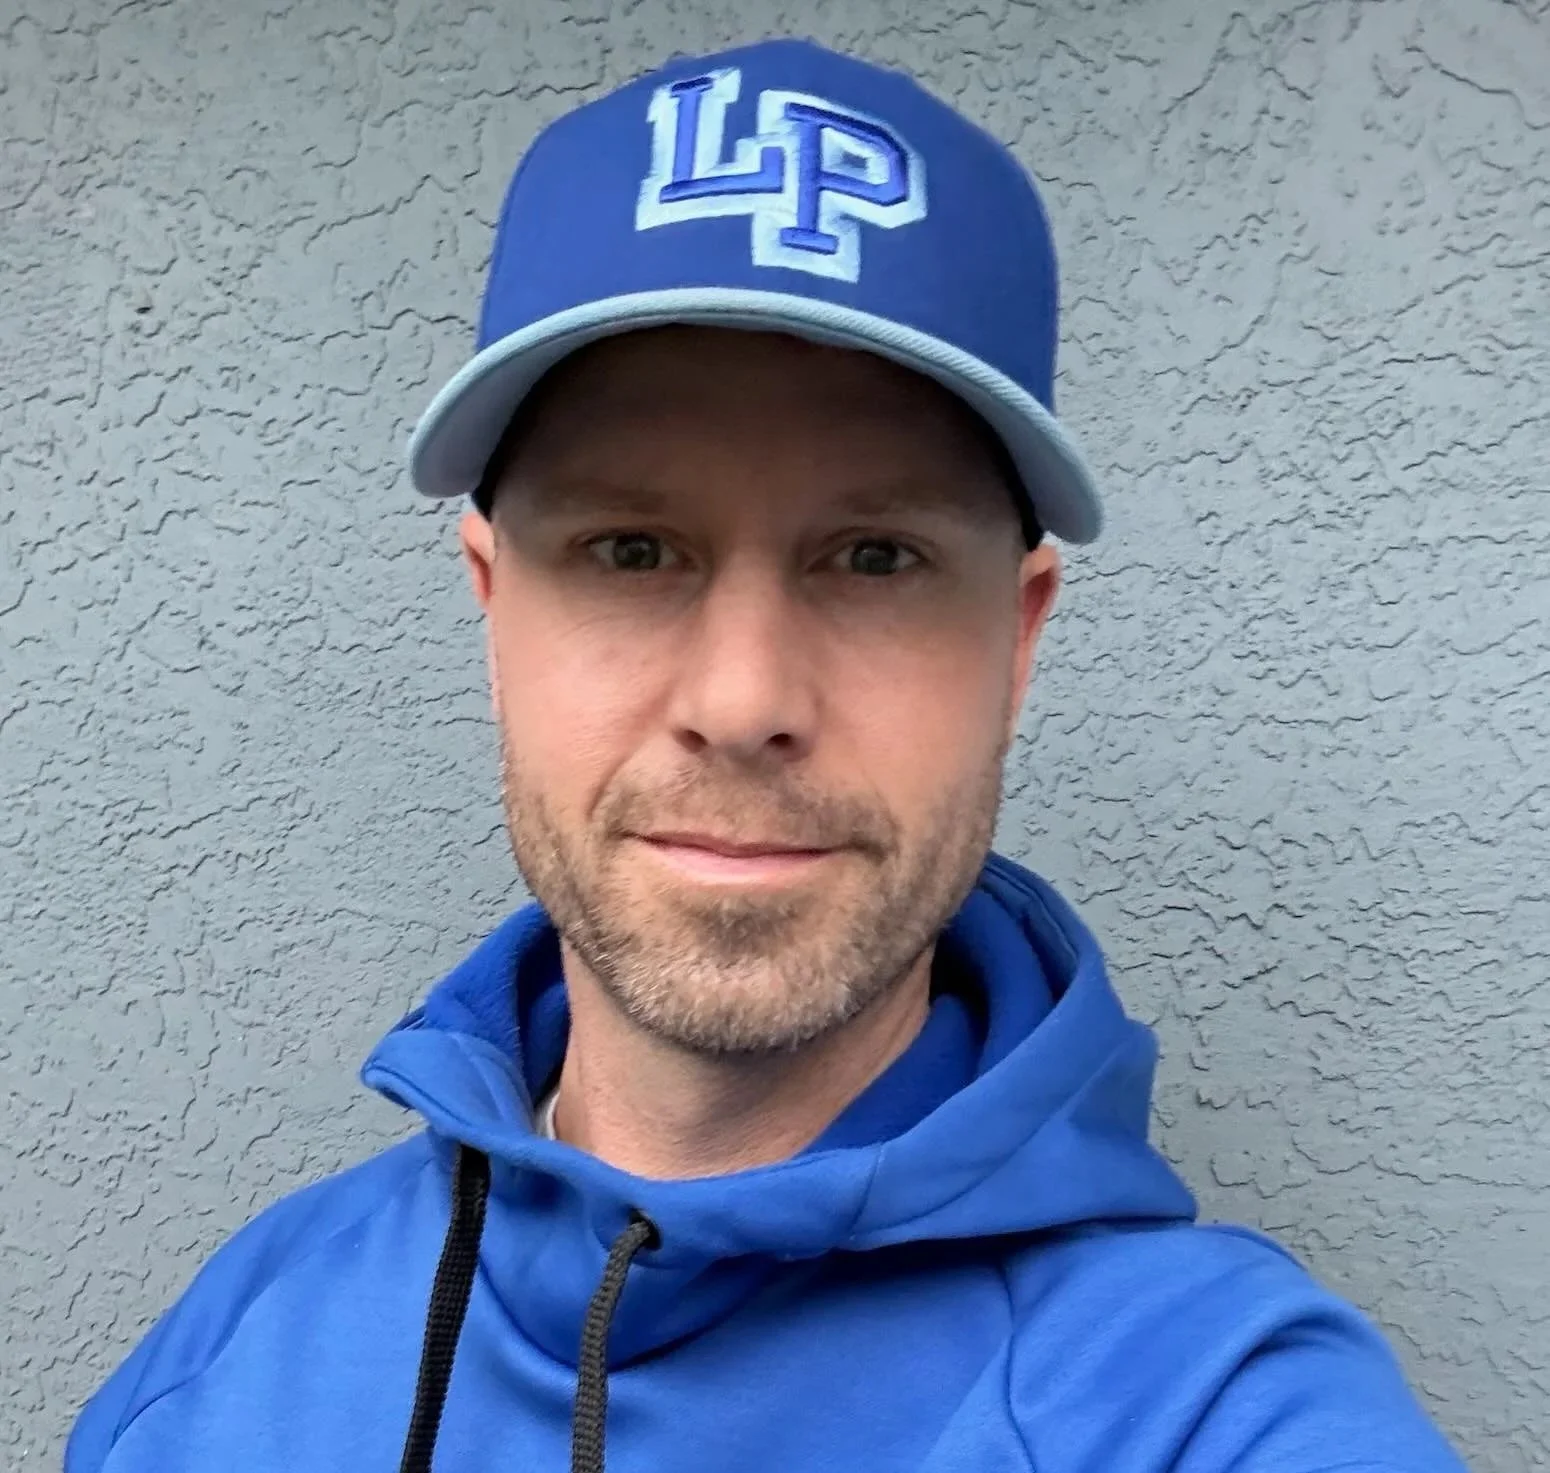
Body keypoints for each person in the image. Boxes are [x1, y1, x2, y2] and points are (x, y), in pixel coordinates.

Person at [67, 36, 1465, 1473]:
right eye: (629, 548)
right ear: (494, 606)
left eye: (874, 555)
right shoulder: (247, 1344)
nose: (741, 701)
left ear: (1017, 637)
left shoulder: (1208, 1415)